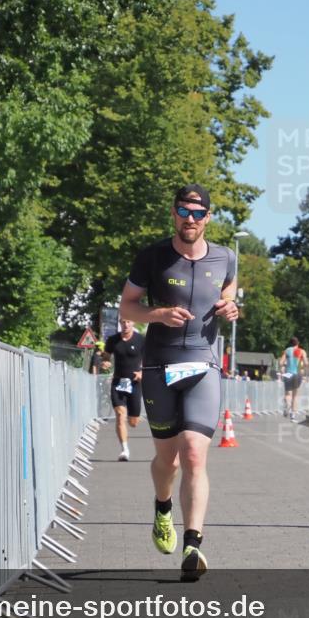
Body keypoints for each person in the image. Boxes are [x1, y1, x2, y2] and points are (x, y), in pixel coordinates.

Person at [118, 183, 238, 581]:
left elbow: (229, 292)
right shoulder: (152, 256)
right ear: (173, 213)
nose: (190, 220)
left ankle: (193, 543)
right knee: (166, 461)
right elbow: (128, 306)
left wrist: (232, 306)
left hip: (203, 366)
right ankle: (163, 506)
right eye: (183, 212)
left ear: (208, 217)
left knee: (194, 454)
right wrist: (157, 315)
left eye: (198, 213)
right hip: (159, 369)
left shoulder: (225, 257)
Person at [102, 320, 145, 461]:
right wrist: (105, 362)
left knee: (133, 422)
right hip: (118, 382)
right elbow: (106, 357)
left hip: (134, 383)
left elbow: (150, 359)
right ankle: (124, 450)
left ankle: (132, 420)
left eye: (128, 322)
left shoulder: (141, 340)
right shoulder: (113, 340)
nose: (126, 325)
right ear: (120, 323)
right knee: (120, 415)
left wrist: (141, 373)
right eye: (123, 322)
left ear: (133, 323)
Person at [280, 337, 309, 420]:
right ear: (298, 343)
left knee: (287, 393)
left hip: (288, 373)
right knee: (295, 395)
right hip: (297, 373)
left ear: (290, 343)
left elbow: (281, 362)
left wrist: (284, 366)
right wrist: (303, 365)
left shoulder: (287, 350)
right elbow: (306, 363)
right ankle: (293, 413)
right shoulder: (302, 351)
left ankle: (287, 406)